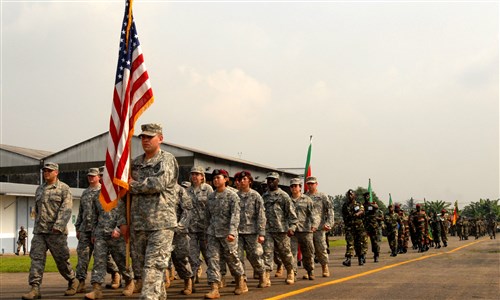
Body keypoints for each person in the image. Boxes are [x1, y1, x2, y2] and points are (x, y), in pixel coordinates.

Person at [118, 123, 179, 300]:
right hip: (138, 224)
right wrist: (123, 221)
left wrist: (133, 185)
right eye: (143, 137)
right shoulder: (135, 163)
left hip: (161, 224)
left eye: (149, 137)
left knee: (153, 267)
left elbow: (158, 184)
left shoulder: (166, 159)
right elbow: (124, 196)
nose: (145, 140)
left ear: (160, 138)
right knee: (145, 271)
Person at [22, 162, 78, 300]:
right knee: (36, 259)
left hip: (56, 233)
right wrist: (36, 227)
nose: (46, 173)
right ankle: (35, 288)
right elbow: (37, 209)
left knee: (62, 261)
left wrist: (58, 227)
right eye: (44, 171)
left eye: (49, 171)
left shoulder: (64, 189)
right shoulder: (39, 189)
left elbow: (66, 209)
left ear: (56, 172)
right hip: (40, 232)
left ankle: (72, 280)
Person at [84, 189, 135, 299]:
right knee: (98, 260)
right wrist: (93, 233)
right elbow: (94, 216)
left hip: (117, 233)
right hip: (100, 233)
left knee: (121, 259)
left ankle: (129, 282)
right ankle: (96, 289)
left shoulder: (120, 193)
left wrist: (119, 227)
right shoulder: (97, 195)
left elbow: (126, 211)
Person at [204, 169, 247, 299]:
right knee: (213, 260)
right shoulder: (211, 197)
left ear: (226, 179)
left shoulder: (232, 196)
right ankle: (214, 288)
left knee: (232, 259)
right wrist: (207, 233)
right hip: (213, 233)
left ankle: (240, 281)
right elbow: (207, 217)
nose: (216, 180)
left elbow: (235, 216)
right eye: (214, 178)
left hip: (227, 234)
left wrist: (232, 233)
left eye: (219, 177)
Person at [262, 172, 298, 286]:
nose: (270, 182)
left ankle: (290, 272)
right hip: (268, 230)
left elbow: (292, 215)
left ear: (278, 181)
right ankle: (266, 276)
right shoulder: (264, 196)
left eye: (273, 180)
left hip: (281, 230)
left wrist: (292, 227)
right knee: (267, 254)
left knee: (285, 253)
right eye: (269, 180)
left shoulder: (284, 196)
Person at [235, 171, 267, 288]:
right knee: (237, 257)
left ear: (250, 181)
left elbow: (261, 215)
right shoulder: (235, 196)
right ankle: (241, 280)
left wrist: (261, 233)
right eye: (240, 179)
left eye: (244, 179)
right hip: (237, 232)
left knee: (254, 256)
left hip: (252, 232)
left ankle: (262, 273)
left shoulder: (255, 196)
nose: (242, 181)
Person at [75, 168, 101, 293]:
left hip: (99, 230)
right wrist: (78, 227)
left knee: (102, 257)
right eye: (89, 176)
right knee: (82, 256)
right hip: (85, 229)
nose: (91, 178)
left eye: (93, 176)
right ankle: (81, 282)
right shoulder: (85, 193)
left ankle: (115, 274)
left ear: (99, 177)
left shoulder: (103, 192)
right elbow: (81, 212)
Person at [187, 166, 214, 285]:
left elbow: (213, 208)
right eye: (193, 174)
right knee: (192, 255)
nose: (194, 176)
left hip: (205, 228)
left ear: (202, 176)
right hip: (191, 228)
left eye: (197, 174)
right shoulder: (187, 190)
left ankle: (214, 278)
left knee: (208, 255)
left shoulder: (208, 189)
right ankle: (191, 281)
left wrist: (212, 226)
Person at [289, 178, 319, 280]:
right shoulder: (287, 200)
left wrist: (314, 225)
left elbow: (314, 214)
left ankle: (310, 271)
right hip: (292, 231)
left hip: (306, 231)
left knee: (308, 252)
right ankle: (293, 273)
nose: (294, 188)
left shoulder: (307, 200)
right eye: (292, 186)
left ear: (300, 187)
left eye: (296, 186)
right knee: (292, 253)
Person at [304, 176, 334, 276]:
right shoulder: (304, 197)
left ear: (316, 184)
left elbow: (330, 210)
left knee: (321, 248)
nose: (310, 185)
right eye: (308, 184)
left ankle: (324, 267)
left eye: (312, 183)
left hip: (320, 228)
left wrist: (329, 223)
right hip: (307, 228)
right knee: (308, 250)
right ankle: (310, 271)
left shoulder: (322, 196)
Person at [170, 183, 194, 295]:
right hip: (161, 230)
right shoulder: (157, 189)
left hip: (178, 231)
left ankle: (188, 281)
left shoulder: (179, 190)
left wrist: (180, 226)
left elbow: (187, 210)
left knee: (180, 258)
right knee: (159, 260)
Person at [341, 189, 366, 266]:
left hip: (359, 227)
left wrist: (357, 214)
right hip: (349, 227)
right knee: (349, 243)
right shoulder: (345, 205)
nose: (350, 196)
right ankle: (348, 259)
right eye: (348, 195)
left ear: (354, 195)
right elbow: (344, 215)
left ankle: (361, 258)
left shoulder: (358, 204)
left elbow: (362, 210)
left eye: (351, 194)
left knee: (359, 243)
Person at [363, 192, 380, 262]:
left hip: (373, 226)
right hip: (365, 226)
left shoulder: (372, 204)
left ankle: (376, 255)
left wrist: (371, 204)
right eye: (365, 196)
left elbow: (377, 207)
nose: (366, 197)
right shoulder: (362, 205)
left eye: (367, 196)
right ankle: (363, 256)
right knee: (364, 241)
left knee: (374, 241)